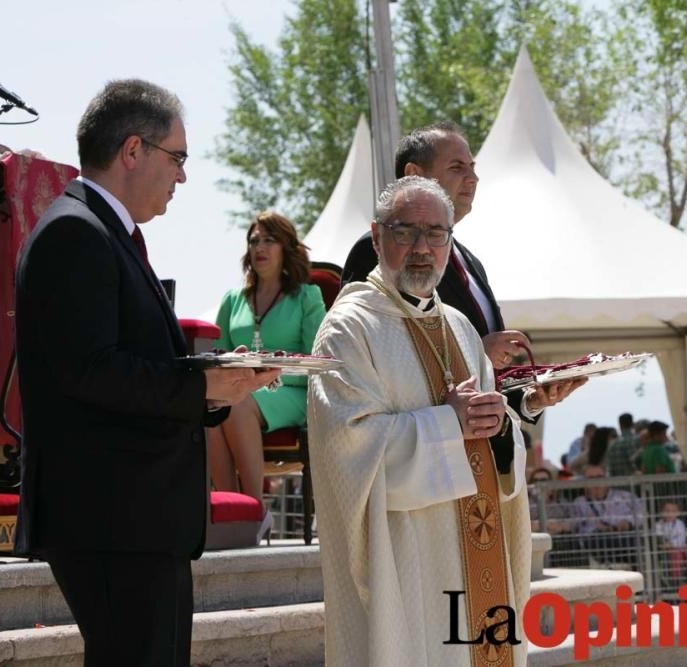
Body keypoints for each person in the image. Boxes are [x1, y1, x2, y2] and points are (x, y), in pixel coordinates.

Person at [13, 80, 279, 666]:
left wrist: (216, 381)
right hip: (110, 519)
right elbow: (89, 372)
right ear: (133, 151)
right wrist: (202, 385)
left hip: (135, 519)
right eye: (177, 157)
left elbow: (125, 364)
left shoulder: (103, 232)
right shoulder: (73, 232)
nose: (182, 176)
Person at [307, 176, 530, 666]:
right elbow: (348, 449)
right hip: (411, 559)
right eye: (405, 232)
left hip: (476, 546)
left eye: (436, 234)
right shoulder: (349, 328)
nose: (422, 249)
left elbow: (492, 435)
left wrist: (502, 428)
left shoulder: (461, 327)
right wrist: (448, 425)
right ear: (377, 235)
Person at [341, 122, 584, 418]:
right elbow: (370, 359)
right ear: (414, 175)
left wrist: (531, 399)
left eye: (473, 167)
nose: (473, 178)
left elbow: (489, 382)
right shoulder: (379, 251)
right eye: (457, 168)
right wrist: (475, 353)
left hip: (488, 455)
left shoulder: (470, 261)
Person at [209, 212, 325, 523]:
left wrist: (262, 379)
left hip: (293, 392)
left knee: (235, 403)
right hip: (241, 392)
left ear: (286, 247)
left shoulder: (307, 296)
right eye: (254, 240)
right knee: (209, 406)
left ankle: (254, 512)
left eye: (269, 240)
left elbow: (316, 362)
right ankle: (229, 511)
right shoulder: (232, 300)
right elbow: (217, 355)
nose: (259, 246)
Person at [570, 464, 645, 566]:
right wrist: (598, 527)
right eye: (591, 478)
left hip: (625, 540)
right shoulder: (579, 503)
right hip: (595, 544)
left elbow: (642, 514)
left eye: (599, 477)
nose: (596, 482)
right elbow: (574, 525)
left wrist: (628, 522)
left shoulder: (625, 496)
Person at [654, 501, 687, 582]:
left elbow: (682, 537)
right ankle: (676, 578)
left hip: (681, 546)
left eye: (673, 511)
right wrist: (664, 544)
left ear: (678, 513)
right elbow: (659, 538)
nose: (670, 514)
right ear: (662, 512)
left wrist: (672, 544)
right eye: (667, 511)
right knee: (676, 554)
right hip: (667, 549)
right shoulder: (659, 525)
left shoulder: (680, 523)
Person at [606, 412, 640, 477]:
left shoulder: (613, 444)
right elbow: (635, 462)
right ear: (633, 424)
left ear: (620, 424)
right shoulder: (636, 440)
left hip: (617, 483)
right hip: (633, 482)